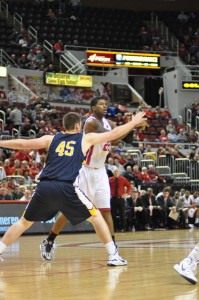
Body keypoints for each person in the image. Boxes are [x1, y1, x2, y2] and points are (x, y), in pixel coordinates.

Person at [0, 111, 147, 266]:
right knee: (97, 217)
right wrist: (133, 122)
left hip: (44, 186)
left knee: (23, 223)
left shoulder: (51, 139)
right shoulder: (85, 139)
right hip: (66, 186)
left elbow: (23, 144)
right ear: (78, 125)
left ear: (64, 126)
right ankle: (113, 255)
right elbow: (114, 133)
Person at [40, 96, 146, 261]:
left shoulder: (109, 123)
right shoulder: (90, 123)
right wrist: (131, 124)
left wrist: (134, 127)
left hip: (100, 171)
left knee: (106, 210)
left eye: (106, 104)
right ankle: (49, 240)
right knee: (68, 211)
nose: (105, 106)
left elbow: (124, 139)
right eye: (101, 104)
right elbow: (112, 137)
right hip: (84, 170)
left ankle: (114, 250)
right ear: (92, 107)